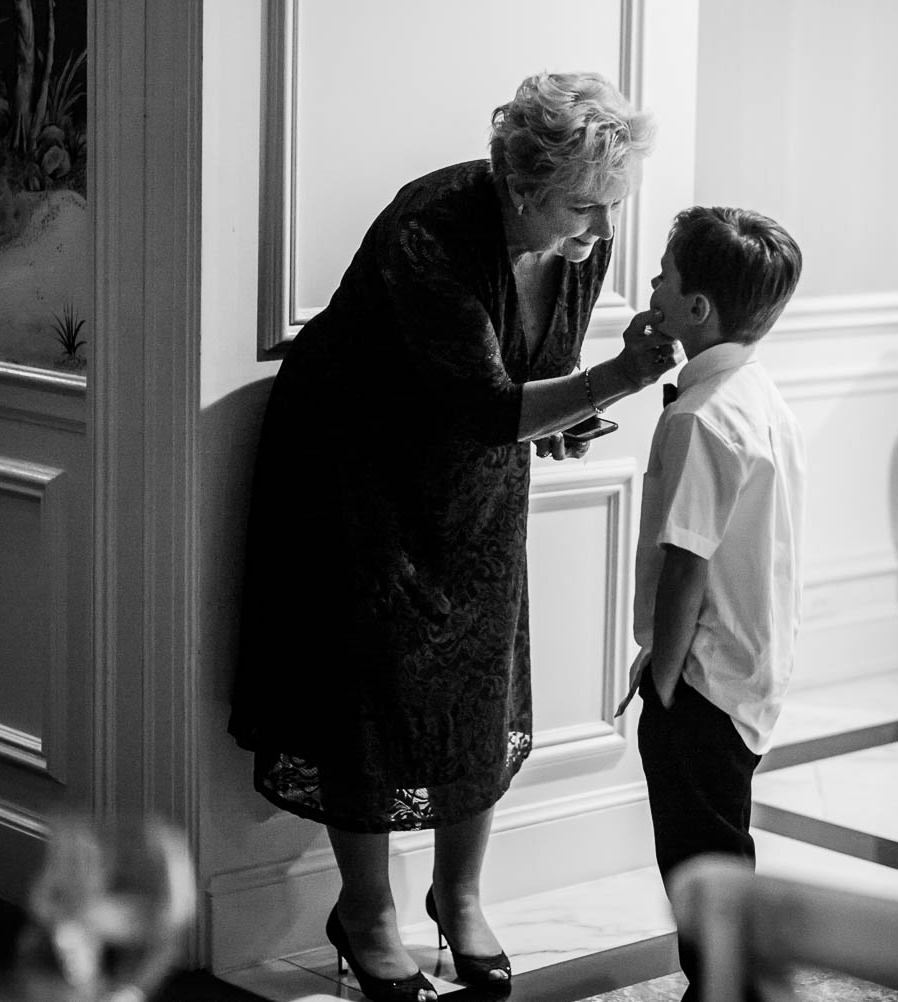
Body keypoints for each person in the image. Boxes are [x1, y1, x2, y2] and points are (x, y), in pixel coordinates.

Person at [229, 71, 677, 1002]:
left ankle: (458, 896)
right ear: (521, 188)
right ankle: (364, 913)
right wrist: (623, 376)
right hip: (356, 469)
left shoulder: (579, 238)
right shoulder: (428, 229)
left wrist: (562, 417)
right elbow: (481, 398)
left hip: (474, 481)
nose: (602, 232)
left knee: (481, 678)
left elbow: (527, 382)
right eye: (585, 208)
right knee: (368, 688)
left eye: (612, 208)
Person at [617, 205, 805, 1002]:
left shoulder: (700, 416)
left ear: (696, 309)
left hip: (701, 679)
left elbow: (686, 557)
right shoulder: (753, 391)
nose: (652, 283)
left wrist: (662, 677)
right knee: (721, 837)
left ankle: (725, 986)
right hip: (748, 666)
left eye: (665, 274)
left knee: (698, 858)